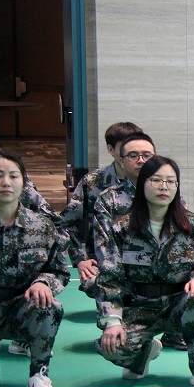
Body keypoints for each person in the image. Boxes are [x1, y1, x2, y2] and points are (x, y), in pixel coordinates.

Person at [94, 156, 194, 387]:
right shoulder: (121, 228)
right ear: (142, 183)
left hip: (179, 303)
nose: (164, 187)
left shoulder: (193, 226)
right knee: (112, 348)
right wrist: (112, 321)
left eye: (170, 181)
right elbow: (109, 278)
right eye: (156, 180)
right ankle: (143, 352)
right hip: (139, 306)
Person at [0, 150, 68, 387]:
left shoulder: (41, 226)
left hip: (20, 306)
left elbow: (59, 270)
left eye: (13, 176)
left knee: (50, 306)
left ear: (23, 182)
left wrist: (43, 282)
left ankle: (39, 374)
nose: (6, 182)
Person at [57, 121, 142, 297]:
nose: (133, 154)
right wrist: (80, 259)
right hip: (103, 260)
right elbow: (66, 223)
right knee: (97, 283)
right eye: (126, 148)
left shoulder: (155, 180)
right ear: (111, 149)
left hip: (144, 260)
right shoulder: (93, 183)